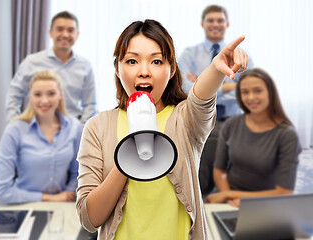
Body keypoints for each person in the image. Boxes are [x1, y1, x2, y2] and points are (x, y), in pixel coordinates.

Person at [76, 19, 247, 239]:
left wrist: (216, 69)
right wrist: (127, 160)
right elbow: (90, 219)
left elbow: (202, 97)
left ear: (172, 69)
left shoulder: (186, 119)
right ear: (117, 69)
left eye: (156, 61)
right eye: (131, 61)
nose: (144, 71)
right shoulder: (97, 127)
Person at [206, 68, 301, 207]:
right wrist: (227, 198)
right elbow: (220, 170)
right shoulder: (231, 124)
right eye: (245, 92)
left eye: (258, 91)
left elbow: (284, 192)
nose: (251, 97)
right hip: (228, 193)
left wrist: (231, 196)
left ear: (271, 92)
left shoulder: (287, 135)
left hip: (266, 201)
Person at [0, 70, 83, 204]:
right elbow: (2, 192)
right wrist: (50, 199)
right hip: (23, 206)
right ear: (30, 96)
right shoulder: (14, 130)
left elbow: (79, 173)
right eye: (37, 94)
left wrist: (68, 194)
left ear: (60, 95)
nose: (44, 100)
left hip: (63, 206)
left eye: (51, 93)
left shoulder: (74, 127)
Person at [5, 11, 97, 125]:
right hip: (36, 129)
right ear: (51, 33)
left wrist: (80, 132)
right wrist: (15, 127)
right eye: (60, 29)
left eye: (70, 30)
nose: (65, 34)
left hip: (72, 132)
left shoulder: (85, 66)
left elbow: (90, 105)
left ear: (77, 35)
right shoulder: (31, 62)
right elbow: (13, 97)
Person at [179, 4, 254, 133]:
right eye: (210, 20)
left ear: (227, 24)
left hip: (233, 123)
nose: (215, 24)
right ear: (202, 24)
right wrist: (227, 87)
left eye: (220, 20)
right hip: (198, 123)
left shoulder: (240, 56)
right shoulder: (189, 54)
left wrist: (200, 85)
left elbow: (248, 92)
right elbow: (185, 90)